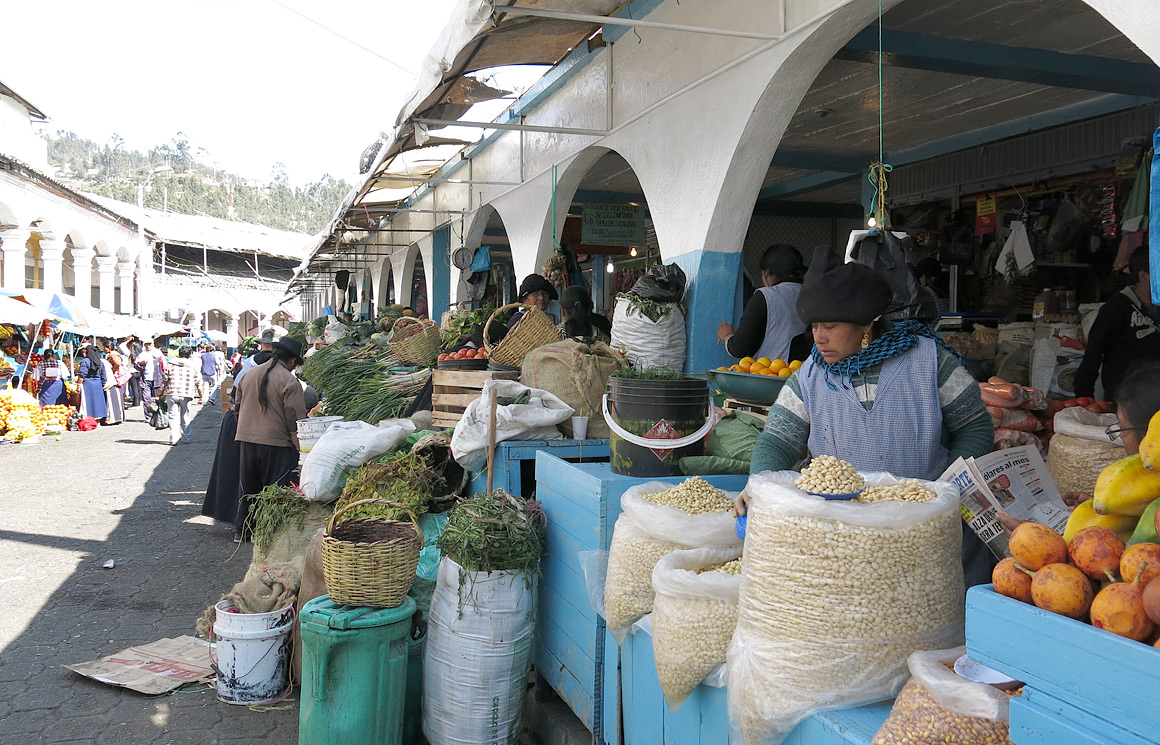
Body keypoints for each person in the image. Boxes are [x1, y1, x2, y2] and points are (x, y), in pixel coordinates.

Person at [738, 245, 995, 587]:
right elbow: (778, 440)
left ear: (866, 325)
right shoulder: (811, 375)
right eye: (814, 327)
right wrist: (759, 483)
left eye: (830, 326)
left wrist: (946, 493)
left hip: (928, 534)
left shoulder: (928, 360)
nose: (819, 338)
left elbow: (975, 428)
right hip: (844, 541)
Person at [233, 337, 307, 541]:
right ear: (292, 360)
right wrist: (299, 445)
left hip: (247, 440)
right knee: (275, 490)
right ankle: (271, 533)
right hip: (277, 443)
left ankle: (242, 530)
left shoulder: (248, 374)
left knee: (248, 488)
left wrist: (245, 429)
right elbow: (294, 418)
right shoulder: (289, 380)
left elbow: (237, 408)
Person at [1075, 246, 1160, 401]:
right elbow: (1094, 352)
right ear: (1143, 276)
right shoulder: (1116, 308)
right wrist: (1084, 396)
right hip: (1125, 399)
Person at [202, 350, 272, 534]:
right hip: (240, 425)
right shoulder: (253, 376)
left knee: (236, 473)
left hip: (237, 424)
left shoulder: (248, 372)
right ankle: (241, 524)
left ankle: (237, 520)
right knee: (241, 474)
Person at [717, 244, 809, 363]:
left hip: (771, 371)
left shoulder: (765, 296)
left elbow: (738, 348)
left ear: (767, 273)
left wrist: (727, 335)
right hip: (807, 371)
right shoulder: (811, 294)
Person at [161, 346, 201, 446]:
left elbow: (165, 379)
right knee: (185, 415)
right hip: (186, 393)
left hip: (171, 392)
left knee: (172, 416)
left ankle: (173, 438)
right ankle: (186, 437)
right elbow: (198, 380)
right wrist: (201, 395)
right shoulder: (192, 365)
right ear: (190, 355)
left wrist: (160, 392)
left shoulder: (171, 364)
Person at [77, 344, 108, 422]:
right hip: (98, 384)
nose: (83, 354)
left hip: (88, 384)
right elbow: (103, 374)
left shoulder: (85, 361)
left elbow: (82, 375)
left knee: (89, 402)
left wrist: (78, 385)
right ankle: (98, 419)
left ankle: (89, 418)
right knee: (98, 402)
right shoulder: (99, 361)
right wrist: (102, 383)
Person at [135, 339, 164, 414]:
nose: (148, 346)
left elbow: (164, 365)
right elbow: (136, 364)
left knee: (158, 398)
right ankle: (149, 416)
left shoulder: (157, 353)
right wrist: (141, 363)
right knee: (146, 398)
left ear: (153, 344)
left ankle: (158, 415)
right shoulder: (142, 354)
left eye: (149, 344)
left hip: (157, 379)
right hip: (145, 379)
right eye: (146, 344)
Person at [106, 349, 131, 425]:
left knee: (119, 397)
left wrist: (113, 370)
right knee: (120, 397)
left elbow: (117, 363)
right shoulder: (118, 355)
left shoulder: (113, 355)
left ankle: (119, 416)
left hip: (118, 378)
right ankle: (121, 416)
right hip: (122, 378)